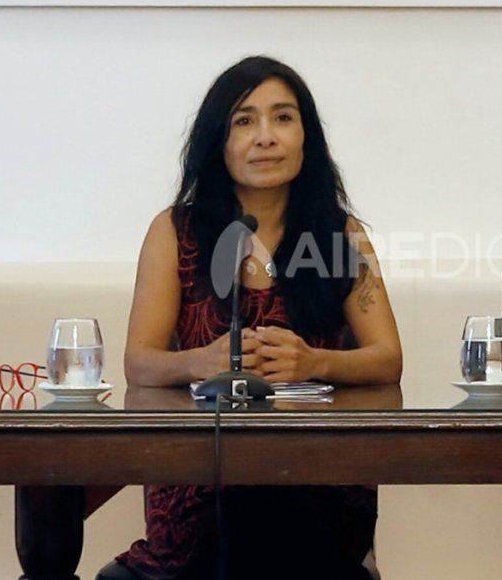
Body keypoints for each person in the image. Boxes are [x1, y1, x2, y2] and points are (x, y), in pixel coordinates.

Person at [103, 56, 402, 580]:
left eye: (283, 118)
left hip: (317, 483)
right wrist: (204, 360)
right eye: (245, 121)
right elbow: (139, 363)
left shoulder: (342, 236)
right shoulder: (177, 232)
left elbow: (387, 359)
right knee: (240, 517)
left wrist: (314, 361)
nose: (266, 137)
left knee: (272, 519)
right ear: (217, 141)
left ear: (306, 136)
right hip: (201, 486)